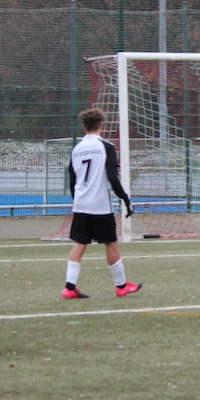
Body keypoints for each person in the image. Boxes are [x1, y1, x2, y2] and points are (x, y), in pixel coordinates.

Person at [62, 107, 142, 299]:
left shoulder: (77, 149)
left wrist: (77, 200)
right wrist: (125, 198)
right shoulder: (106, 148)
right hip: (99, 205)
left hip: (81, 204)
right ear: (101, 126)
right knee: (111, 243)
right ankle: (121, 285)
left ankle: (69, 287)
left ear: (83, 126)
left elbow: (72, 179)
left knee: (80, 243)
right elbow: (113, 178)